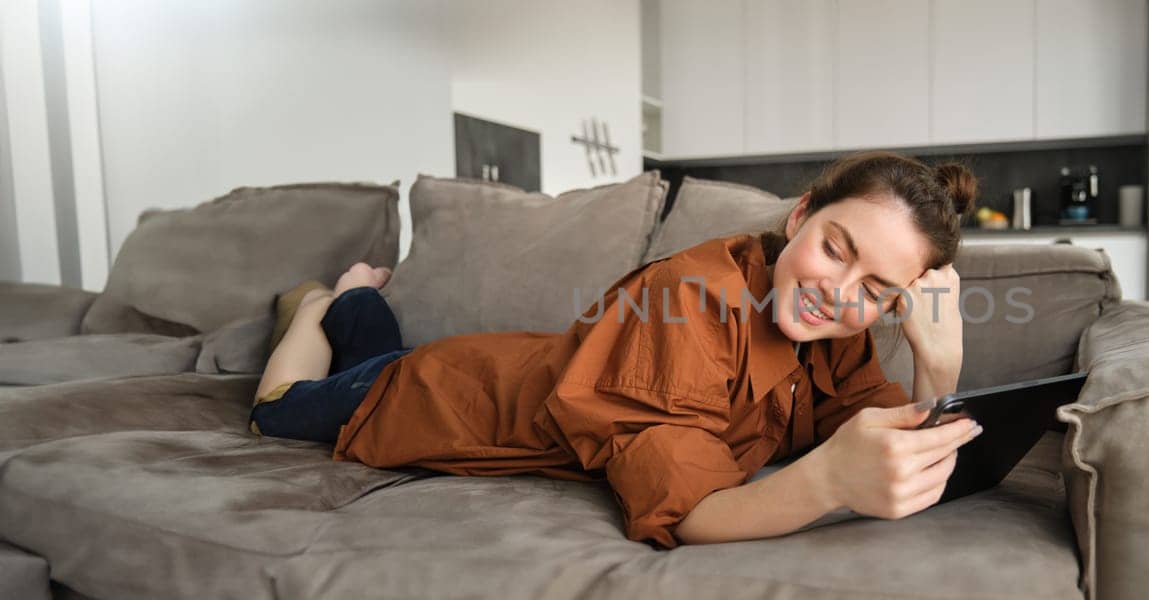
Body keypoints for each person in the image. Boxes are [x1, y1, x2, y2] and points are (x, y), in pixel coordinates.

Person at [249, 151, 982, 548]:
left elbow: (889, 447)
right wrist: (827, 482)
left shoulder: (838, 330)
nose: (839, 290)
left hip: (503, 360)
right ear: (799, 217)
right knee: (280, 410)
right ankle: (327, 303)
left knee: (379, 351)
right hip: (436, 396)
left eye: (877, 287)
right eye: (835, 248)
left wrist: (938, 365)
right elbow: (691, 513)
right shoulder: (692, 297)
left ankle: (361, 305)